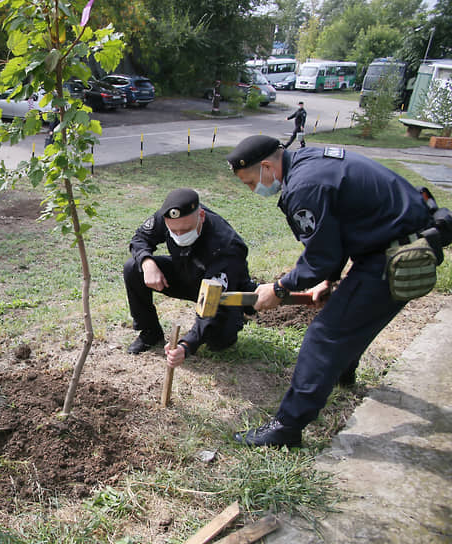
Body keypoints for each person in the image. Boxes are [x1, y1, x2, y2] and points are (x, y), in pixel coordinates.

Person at [225, 135, 438, 448]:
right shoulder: (309, 162)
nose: (252, 189)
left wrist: (280, 288)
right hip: (391, 242)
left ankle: (287, 427)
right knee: (349, 314)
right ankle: (342, 373)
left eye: (249, 182)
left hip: (395, 257)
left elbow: (319, 257)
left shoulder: (303, 187)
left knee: (324, 336)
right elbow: (336, 230)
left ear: (268, 166)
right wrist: (330, 279)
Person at [123, 188, 256, 358]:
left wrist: (186, 345)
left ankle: (237, 313)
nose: (179, 235)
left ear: (201, 215)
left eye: (186, 230)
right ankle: (150, 332)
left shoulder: (226, 244)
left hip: (222, 292)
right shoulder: (167, 218)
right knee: (133, 267)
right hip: (186, 274)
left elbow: (212, 300)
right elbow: (140, 238)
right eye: (174, 231)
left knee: (218, 341)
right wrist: (147, 262)